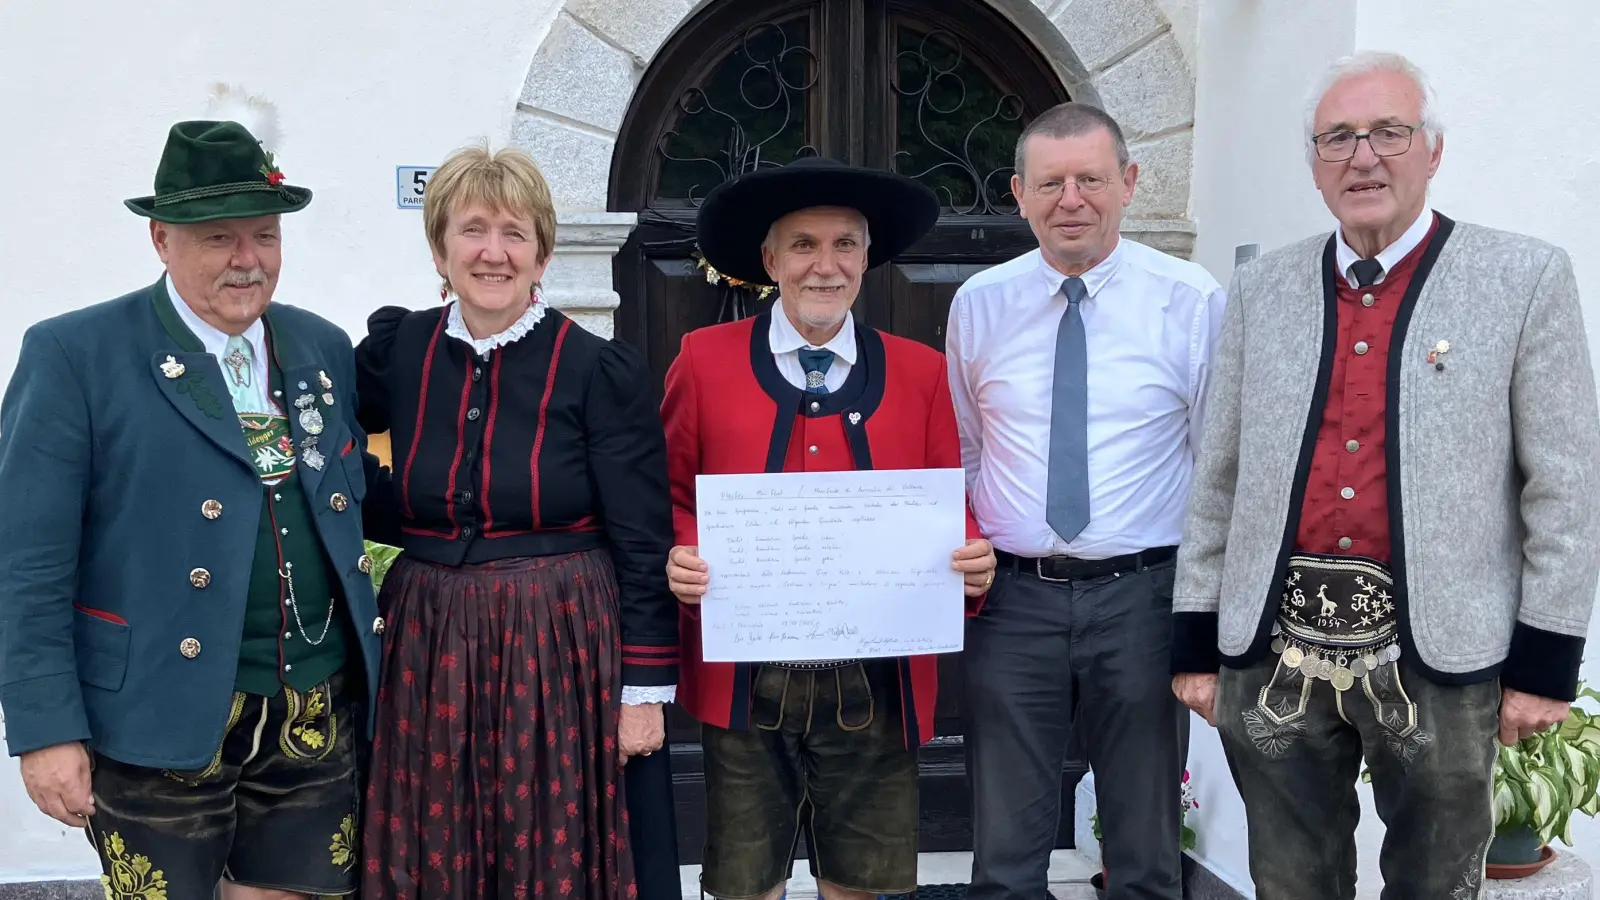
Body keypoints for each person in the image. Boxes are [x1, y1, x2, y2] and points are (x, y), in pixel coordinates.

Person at [1171, 50, 1600, 898]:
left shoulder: (1524, 277)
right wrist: (1196, 638)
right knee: (1290, 878)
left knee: (1437, 880)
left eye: (1388, 133)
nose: (1362, 156)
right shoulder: (1261, 289)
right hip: (1273, 648)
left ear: (1432, 150)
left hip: (1442, 652)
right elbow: (1218, 473)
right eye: (1338, 138)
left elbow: (1566, 483)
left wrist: (1546, 662)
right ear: (1316, 164)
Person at [0, 95, 384, 900]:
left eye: (266, 235)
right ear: (160, 240)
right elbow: (25, 562)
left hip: (313, 708)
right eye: (219, 238)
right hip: (154, 713)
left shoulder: (317, 343)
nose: (248, 259)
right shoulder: (75, 354)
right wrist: (44, 730)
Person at [661, 156, 997, 900]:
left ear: (867, 257)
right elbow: (673, 492)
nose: (826, 265)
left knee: (861, 884)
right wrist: (680, 553)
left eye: (845, 243)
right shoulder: (703, 361)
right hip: (747, 678)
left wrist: (971, 559)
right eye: (805, 245)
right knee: (747, 885)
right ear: (770, 260)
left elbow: (949, 500)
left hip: (877, 679)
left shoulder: (919, 372)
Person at [353, 143, 681, 900]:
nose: (492, 252)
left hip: (559, 643)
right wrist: (388, 500)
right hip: (427, 641)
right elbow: (325, 442)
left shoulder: (596, 368)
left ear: (542, 254)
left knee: (552, 845)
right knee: (435, 842)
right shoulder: (398, 351)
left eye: (514, 233)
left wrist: (643, 691)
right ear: (441, 247)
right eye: (472, 230)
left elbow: (642, 538)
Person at [945, 101, 1226, 900]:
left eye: (1091, 179)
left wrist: (1205, 614)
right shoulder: (980, 305)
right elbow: (967, 447)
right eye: (1051, 182)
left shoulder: (1190, 299)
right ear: (1019, 194)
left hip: (1142, 599)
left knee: (1142, 847)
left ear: (1129, 184)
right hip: (1013, 600)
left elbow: (1217, 465)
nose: (1072, 199)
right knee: (1004, 849)